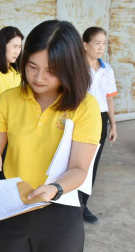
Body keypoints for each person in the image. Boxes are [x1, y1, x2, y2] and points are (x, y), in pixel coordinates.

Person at [0, 20, 101, 252]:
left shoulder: (84, 106)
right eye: (32, 66)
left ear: (70, 68)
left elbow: (79, 169)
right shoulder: (9, 99)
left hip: (60, 207)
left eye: (51, 70)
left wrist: (54, 189)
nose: (38, 77)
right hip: (13, 204)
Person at [0, 26, 23, 245]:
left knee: (12, 186)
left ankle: (7, 231)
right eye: (14, 46)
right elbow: (10, 105)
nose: (18, 51)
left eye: (20, 46)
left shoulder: (17, 72)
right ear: (2, 46)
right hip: (0, 139)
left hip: (16, 137)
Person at [81, 27, 118, 224]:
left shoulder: (107, 70)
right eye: (97, 43)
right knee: (74, 159)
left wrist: (113, 125)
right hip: (79, 118)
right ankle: (66, 203)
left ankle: (82, 205)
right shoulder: (76, 68)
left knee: (92, 164)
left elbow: (109, 100)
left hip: (100, 118)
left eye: (104, 43)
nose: (101, 47)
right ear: (85, 45)